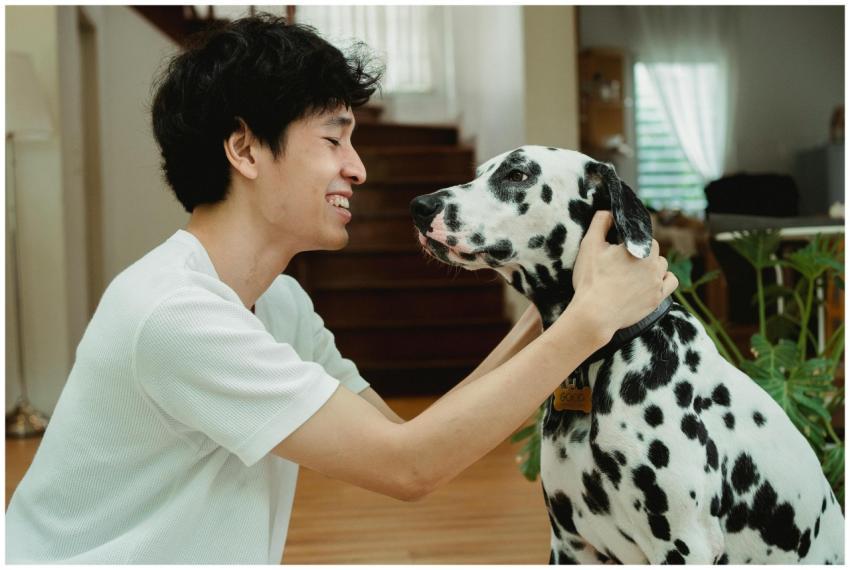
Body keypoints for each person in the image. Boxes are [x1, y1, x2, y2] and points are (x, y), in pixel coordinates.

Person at [5, 14, 677, 563]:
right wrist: (588, 323)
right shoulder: (176, 314)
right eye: (334, 139)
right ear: (244, 151)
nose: (356, 168)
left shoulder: (279, 303)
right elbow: (408, 468)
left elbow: (407, 436)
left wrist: (551, 309)